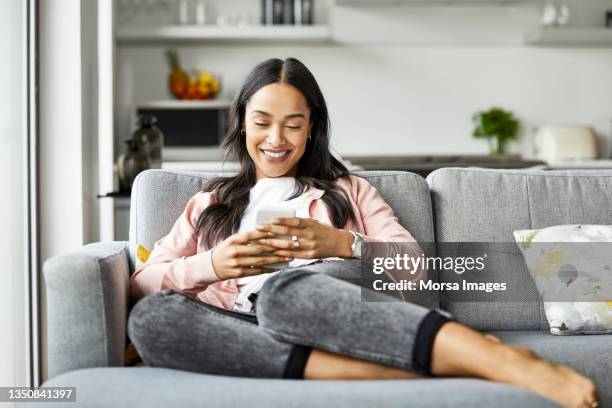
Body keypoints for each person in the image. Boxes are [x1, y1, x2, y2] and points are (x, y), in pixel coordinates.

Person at [128, 57, 598, 408]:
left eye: (293, 125)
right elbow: (143, 283)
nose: (276, 140)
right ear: (241, 122)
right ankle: (403, 376)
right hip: (238, 324)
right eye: (263, 123)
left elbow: (415, 272)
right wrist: (212, 264)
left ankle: (509, 363)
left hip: (325, 307)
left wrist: (343, 244)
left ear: (311, 128)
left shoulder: (349, 191)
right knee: (150, 320)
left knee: (283, 294)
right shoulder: (210, 203)